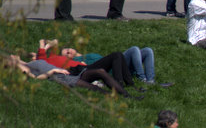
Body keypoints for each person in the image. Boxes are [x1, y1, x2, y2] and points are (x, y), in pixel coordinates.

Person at [4, 53, 136, 97]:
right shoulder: (24, 69)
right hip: (58, 77)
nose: (12, 55)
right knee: (93, 88)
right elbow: (35, 78)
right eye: (10, 57)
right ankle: (114, 96)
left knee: (100, 71)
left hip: (67, 73)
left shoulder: (29, 62)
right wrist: (52, 72)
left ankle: (126, 95)